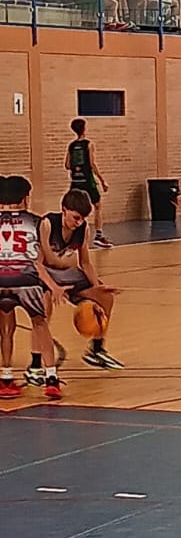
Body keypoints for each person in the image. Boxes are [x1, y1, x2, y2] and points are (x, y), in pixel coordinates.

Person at [34, 189, 122, 370]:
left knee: (106, 297)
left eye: (82, 218)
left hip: (66, 273)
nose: (79, 222)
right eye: (76, 217)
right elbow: (38, 265)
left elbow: (85, 263)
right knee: (45, 306)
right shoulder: (47, 224)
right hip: (42, 273)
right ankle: (38, 360)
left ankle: (96, 350)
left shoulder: (83, 229)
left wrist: (97, 287)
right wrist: (54, 287)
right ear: (64, 210)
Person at [0, 175, 61, 400]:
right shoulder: (37, 221)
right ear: (26, 198)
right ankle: (51, 378)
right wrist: (64, 267)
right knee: (40, 325)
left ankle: (6, 377)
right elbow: (46, 259)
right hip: (27, 279)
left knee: (6, 329)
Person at [65, 117, 112, 248]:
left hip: (76, 181)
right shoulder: (88, 144)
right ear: (84, 129)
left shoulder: (71, 146)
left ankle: (70, 235)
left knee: (73, 208)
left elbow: (67, 165)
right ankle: (99, 235)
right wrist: (102, 180)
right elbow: (92, 164)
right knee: (98, 206)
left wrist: (76, 167)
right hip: (87, 180)